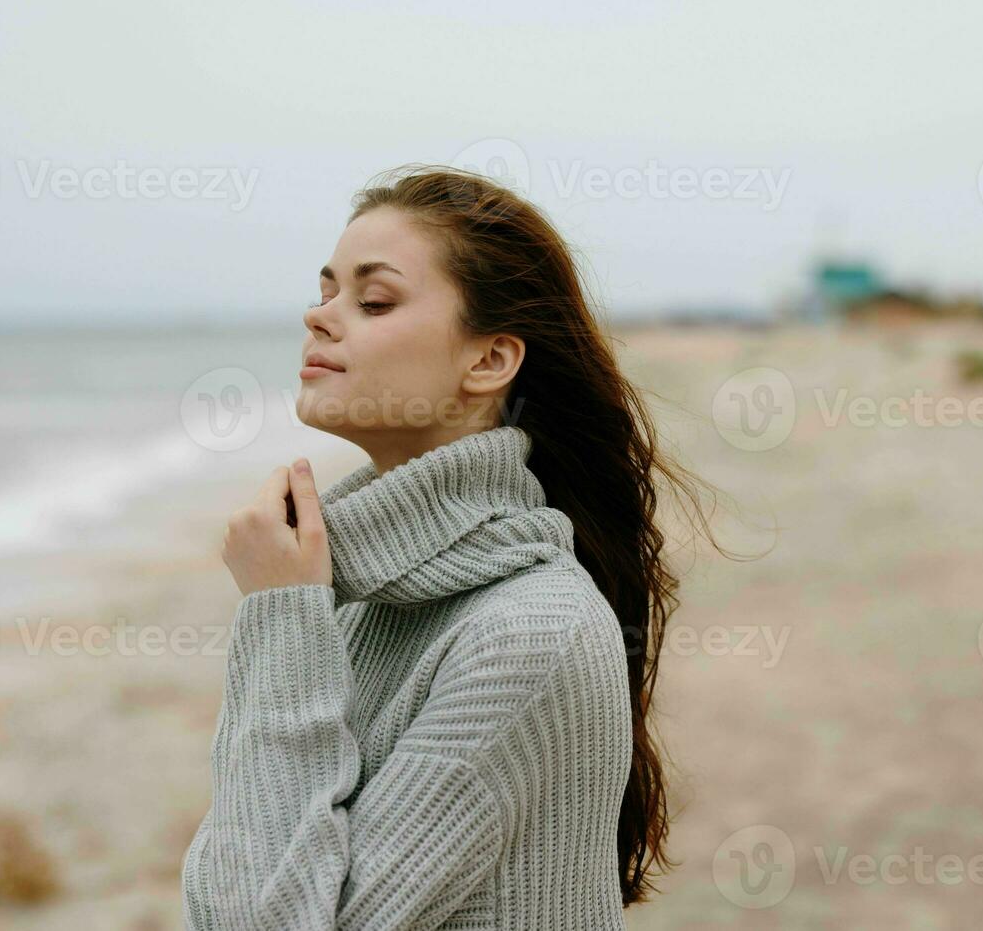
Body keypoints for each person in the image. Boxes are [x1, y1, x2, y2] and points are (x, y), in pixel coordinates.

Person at [181, 166, 734, 928]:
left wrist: (280, 616)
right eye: (325, 292)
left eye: (373, 300)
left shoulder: (533, 631)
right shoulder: (358, 590)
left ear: (489, 361)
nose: (320, 318)